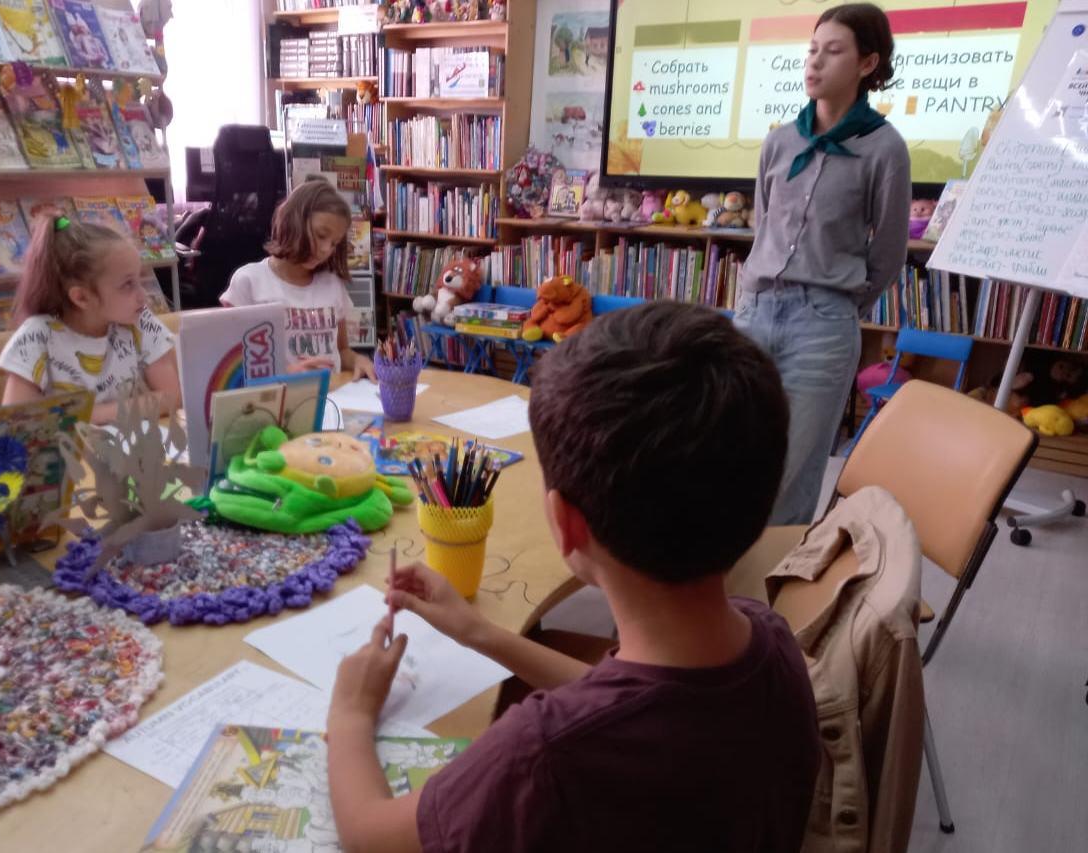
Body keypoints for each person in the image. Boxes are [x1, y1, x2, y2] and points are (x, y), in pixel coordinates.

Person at [325, 302, 821, 852]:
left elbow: (370, 837)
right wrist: (480, 633)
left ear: (566, 525)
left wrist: (350, 714)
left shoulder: (544, 754)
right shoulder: (772, 641)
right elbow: (639, 701)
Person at [737, 2, 911, 524]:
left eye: (833, 51)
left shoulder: (885, 148)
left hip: (823, 325)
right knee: (732, 447)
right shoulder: (779, 141)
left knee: (795, 467)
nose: (815, 61)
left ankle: (773, 572)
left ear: (867, 64)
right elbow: (764, 227)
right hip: (755, 312)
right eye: (813, 49)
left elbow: (888, 252)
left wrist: (837, 304)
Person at [0, 213, 179, 425]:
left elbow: (171, 397)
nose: (143, 296)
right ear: (82, 297)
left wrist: (88, 415)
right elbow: (16, 420)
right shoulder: (36, 337)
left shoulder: (141, 322)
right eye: (128, 285)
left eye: (140, 280)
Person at [219, 179, 376, 380]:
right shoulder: (249, 281)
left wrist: (358, 360)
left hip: (332, 394)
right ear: (293, 221)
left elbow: (342, 350)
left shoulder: (332, 285)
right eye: (321, 235)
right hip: (279, 396)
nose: (326, 249)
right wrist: (287, 374)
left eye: (334, 243)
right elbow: (230, 368)